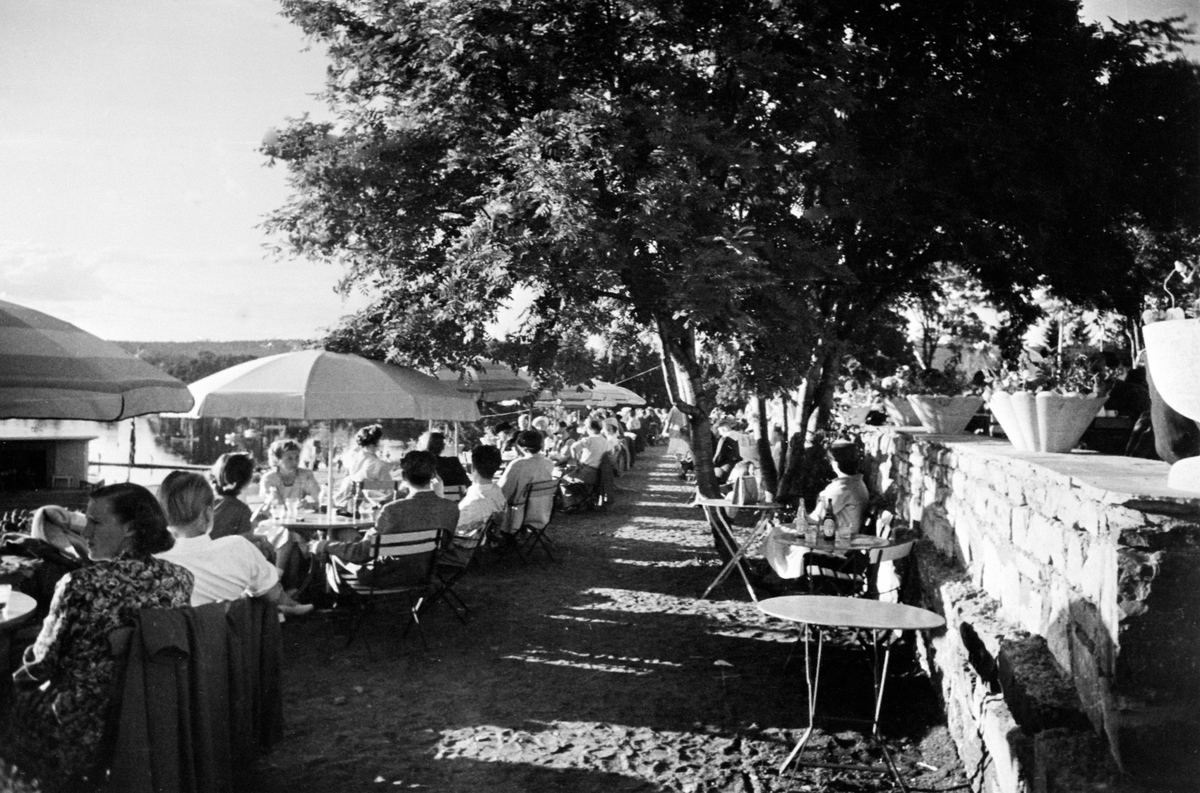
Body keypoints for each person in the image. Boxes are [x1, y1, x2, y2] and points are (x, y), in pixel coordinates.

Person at [4, 483, 194, 791]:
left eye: (95, 522)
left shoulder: (79, 583)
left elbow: (42, 664)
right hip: (143, 716)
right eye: (85, 520)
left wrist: (16, 672)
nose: (86, 531)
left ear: (131, 529)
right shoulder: (181, 580)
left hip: (76, 725)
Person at [155, 471, 312, 615]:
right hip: (225, 641)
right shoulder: (238, 547)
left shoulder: (151, 560)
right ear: (208, 515)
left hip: (176, 641)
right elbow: (274, 596)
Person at [311, 451, 460, 589]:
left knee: (333, 539)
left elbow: (359, 555)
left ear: (403, 477)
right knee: (345, 532)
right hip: (424, 574)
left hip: (385, 577)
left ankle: (330, 598)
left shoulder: (393, 510)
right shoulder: (451, 508)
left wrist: (325, 545)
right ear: (434, 474)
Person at [763, 440, 871, 581]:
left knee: (779, 532)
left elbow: (816, 519)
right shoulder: (855, 483)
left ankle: (780, 577)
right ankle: (775, 574)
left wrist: (797, 517)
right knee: (782, 530)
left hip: (837, 541)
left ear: (835, 463)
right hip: (839, 535)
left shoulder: (842, 488)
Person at [441, 445, 507, 566]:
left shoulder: (477, 500)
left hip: (460, 550)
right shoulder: (497, 492)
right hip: (479, 541)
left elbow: (454, 534)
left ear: (472, 467)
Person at [498, 430, 557, 532]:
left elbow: (504, 491)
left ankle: (503, 536)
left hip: (521, 513)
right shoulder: (549, 463)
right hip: (543, 511)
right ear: (541, 444)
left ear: (520, 445)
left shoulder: (518, 464)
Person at [258, 438, 322, 515]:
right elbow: (275, 503)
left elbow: (321, 500)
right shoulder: (269, 479)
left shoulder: (305, 475)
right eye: (289, 458)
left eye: (297, 457)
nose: (295, 462)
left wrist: (310, 505)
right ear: (276, 460)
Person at [335, 424, 394, 505]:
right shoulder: (378, 464)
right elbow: (389, 487)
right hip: (371, 501)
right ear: (377, 442)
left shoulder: (352, 456)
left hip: (352, 496)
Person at [712, 418, 742, 484]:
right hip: (741, 465)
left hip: (727, 468)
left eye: (718, 429)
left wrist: (711, 465)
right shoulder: (741, 436)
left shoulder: (725, 439)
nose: (719, 432)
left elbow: (718, 457)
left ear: (722, 428)